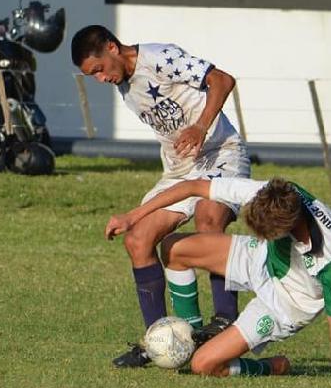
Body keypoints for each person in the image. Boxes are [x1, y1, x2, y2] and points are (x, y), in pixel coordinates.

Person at [71, 25, 250, 366]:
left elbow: (223, 80)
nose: (100, 79)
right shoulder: (123, 82)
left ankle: (225, 321)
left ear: (112, 47)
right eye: (91, 76)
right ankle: (163, 340)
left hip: (221, 153)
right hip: (180, 169)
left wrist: (201, 127)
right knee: (138, 239)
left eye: (98, 70)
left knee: (209, 217)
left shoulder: (160, 58)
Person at [105, 177, 331, 388]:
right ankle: (189, 338)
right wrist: (133, 216)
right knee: (173, 248)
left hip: (286, 303)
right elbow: (193, 186)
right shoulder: (271, 194)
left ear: (286, 229)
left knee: (203, 365)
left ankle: (269, 366)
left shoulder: (327, 253)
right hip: (262, 256)